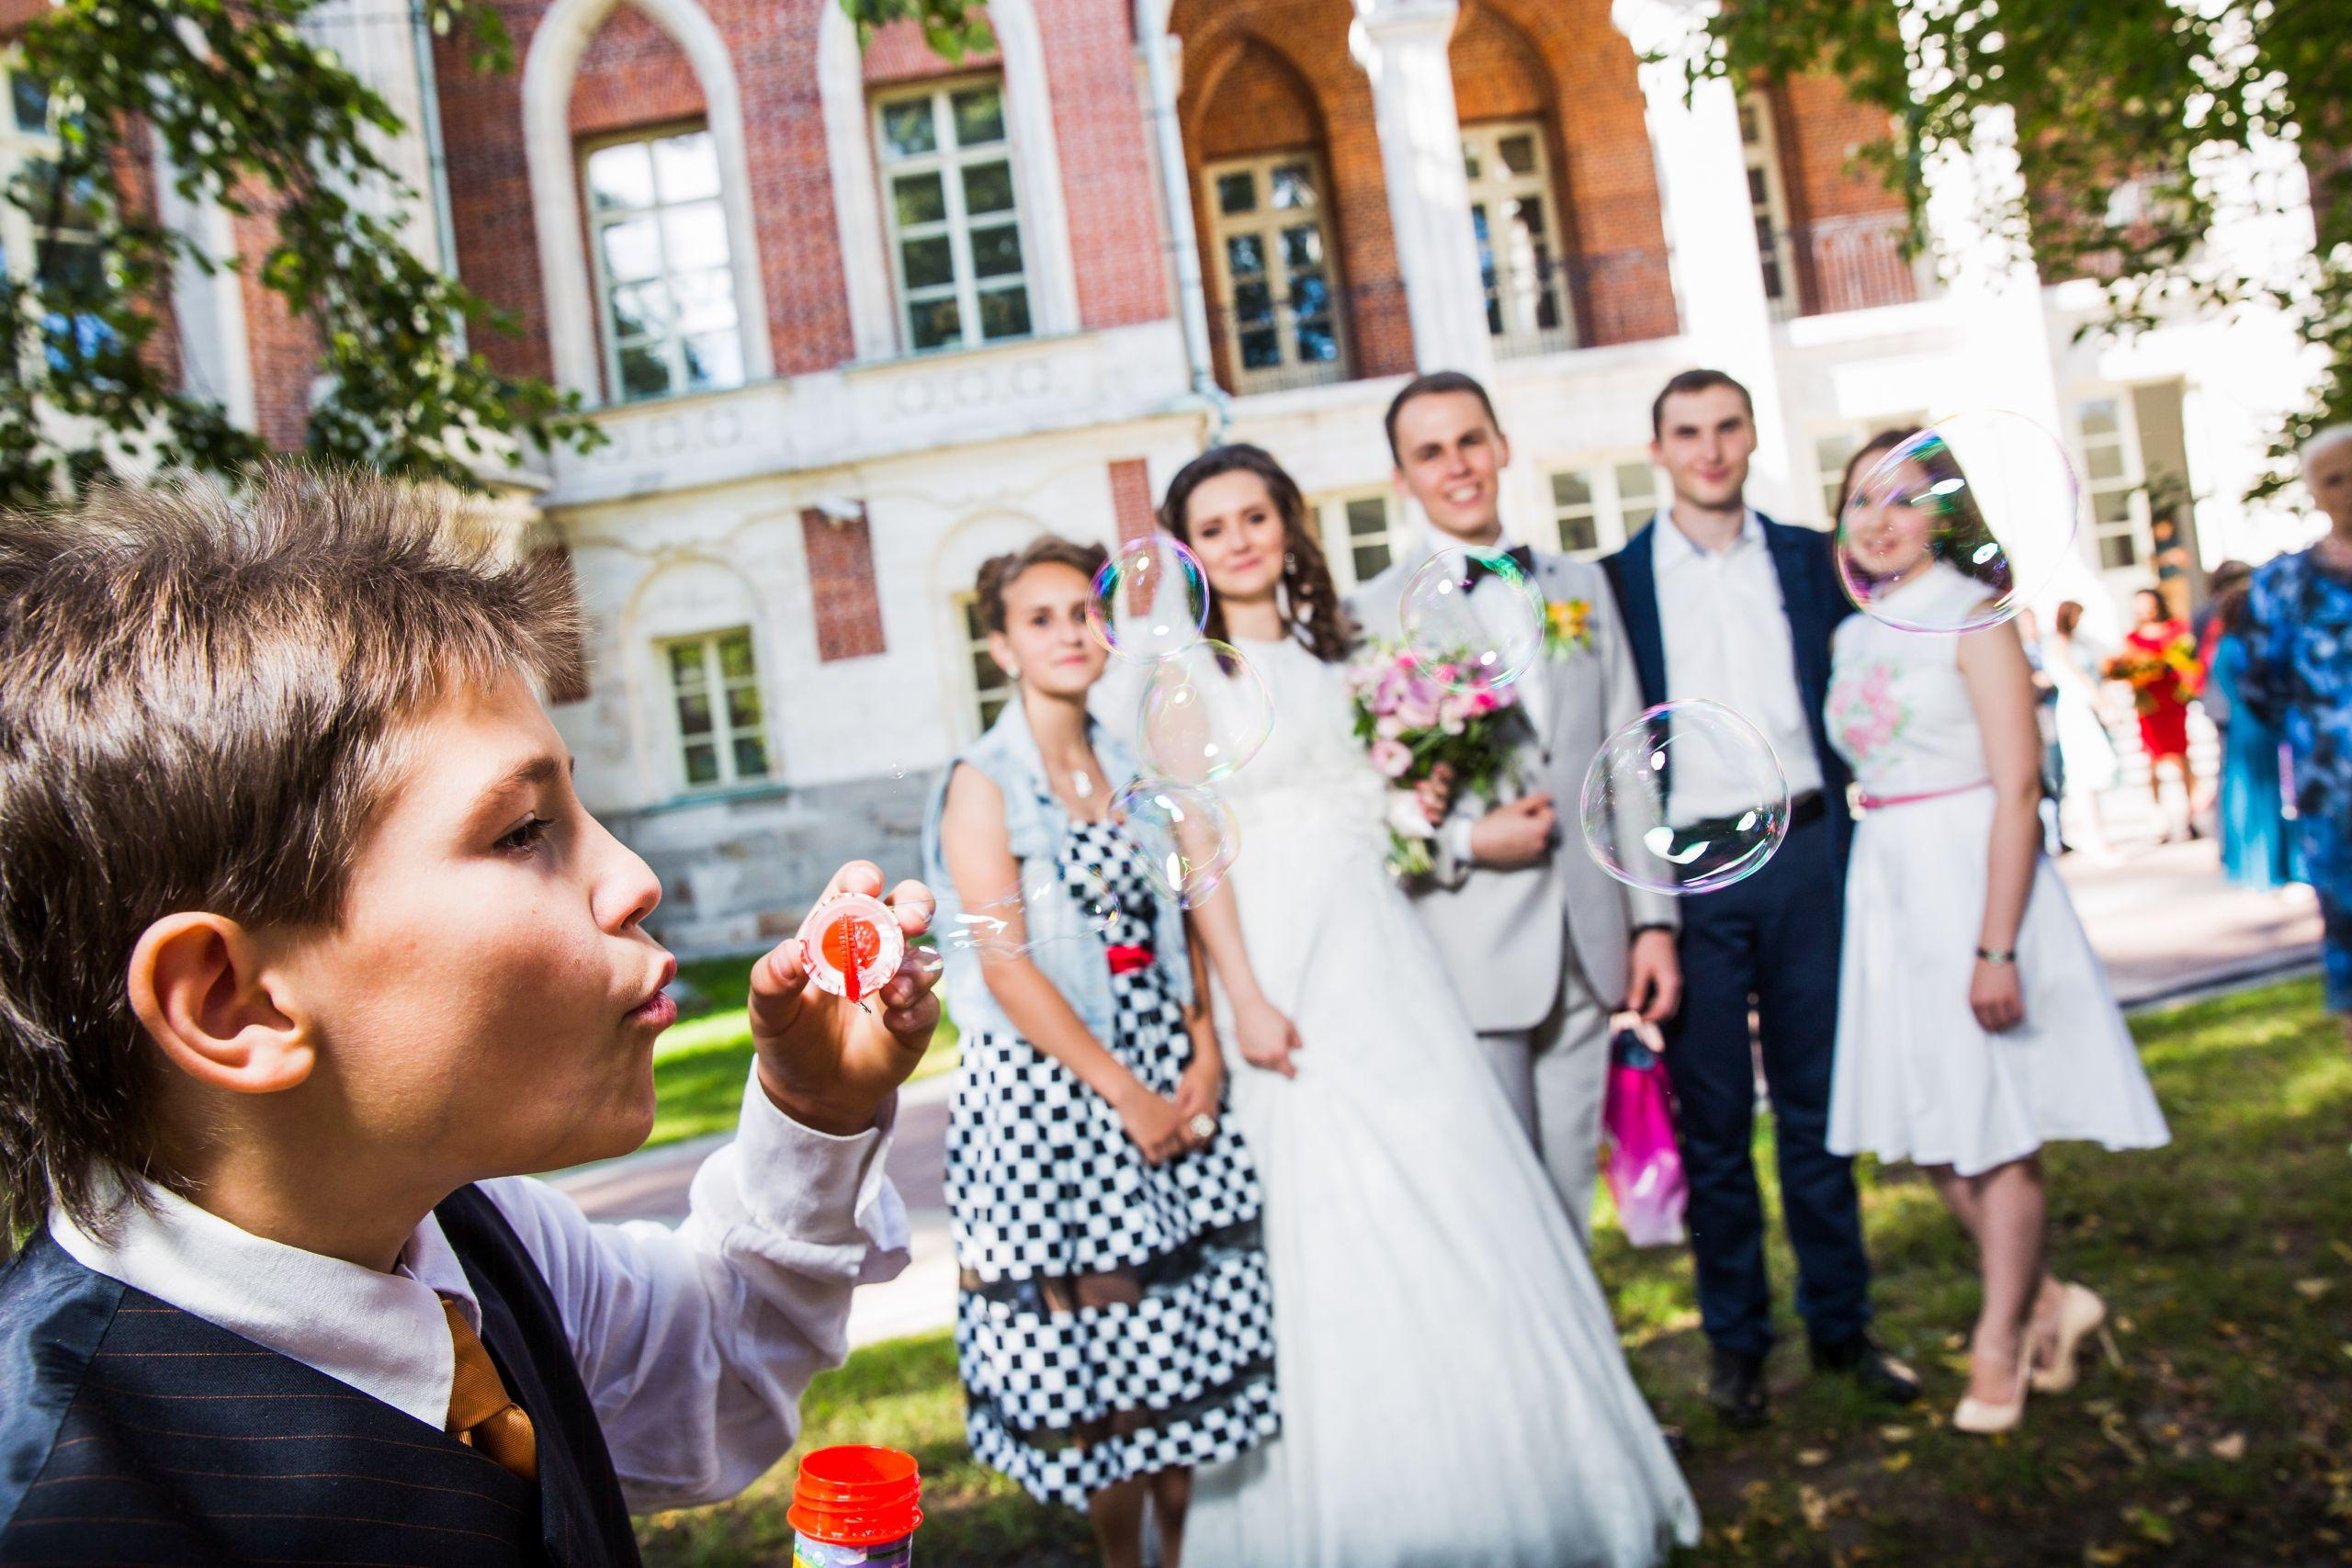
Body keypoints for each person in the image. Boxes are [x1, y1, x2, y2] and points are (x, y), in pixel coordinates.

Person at [0, 468, 933, 1560]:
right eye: (523, 830)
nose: (633, 878)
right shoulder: (73, 1517)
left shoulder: (467, 1234)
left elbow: (705, 1381)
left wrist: (810, 1108)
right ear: (231, 1003)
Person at [1163, 444, 1698, 1567]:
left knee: (1452, 1172)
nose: (1240, 540)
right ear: (1191, 555)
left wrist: (1421, 793)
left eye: (1255, 515)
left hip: (1377, 940)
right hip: (1277, 950)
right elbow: (1197, 850)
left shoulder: (1342, 650)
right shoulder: (1187, 680)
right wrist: (1245, 999)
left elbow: (1380, 801)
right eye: (1213, 528)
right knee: (1323, 1198)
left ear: (1286, 525)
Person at [923, 536, 1276, 1568]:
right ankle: (1125, 1561)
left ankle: (1183, 1552)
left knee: (1180, 1334)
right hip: (1059, 1100)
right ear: (1000, 647)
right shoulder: (981, 782)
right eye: (1040, 619)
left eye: (1082, 611)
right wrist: (1127, 1094)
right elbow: (1006, 967)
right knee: (1110, 1352)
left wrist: (1202, 1049)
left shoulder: (1128, 764)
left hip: (1165, 1072)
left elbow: (1183, 912)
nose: (1071, 633)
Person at [1827, 431, 2170, 1434]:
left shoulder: (1970, 617)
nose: (1879, 518)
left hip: (1970, 874)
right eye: (1859, 500)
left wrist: (1995, 944)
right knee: (1933, 1129)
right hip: (1886, 883)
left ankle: (1999, 1340)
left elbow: (2019, 783)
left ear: (1943, 512)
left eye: (1902, 498)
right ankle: (2049, 1300)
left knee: (1996, 1127)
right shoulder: (1855, 631)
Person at [1600, 369, 1917, 1430]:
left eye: (1726, 427)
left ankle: (1843, 1324)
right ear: (1659, 450)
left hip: (1806, 847)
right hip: (1689, 869)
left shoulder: (1803, 557)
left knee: (1821, 1106)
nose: (1708, 448)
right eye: (1686, 431)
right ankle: (1736, 1345)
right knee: (1715, 1125)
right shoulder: (1616, 582)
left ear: (1748, 438)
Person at [1349, 370, 1681, 1239]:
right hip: (1466, 947)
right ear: (1402, 478)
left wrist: (1651, 922)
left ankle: (1579, 1366)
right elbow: (1362, 808)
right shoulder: (1370, 617)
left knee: (1571, 1192)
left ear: (1500, 447)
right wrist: (1464, 837)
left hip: (1589, 937)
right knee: (1495, 1205)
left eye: (1469, 441)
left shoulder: (1580, 584)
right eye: (1430, 452)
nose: (1456, 466)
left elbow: (1627, 761)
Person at [2241, 423, 2352, 1052]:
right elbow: (2260, 685)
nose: (2350, 490)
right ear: (2313, 493)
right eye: (2334, 479)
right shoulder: (2283, 586)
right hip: (2337, 804)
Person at [2203, 581, 2300, 890]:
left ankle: (2254, 865)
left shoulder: (2225, 645)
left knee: (2247, 794)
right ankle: (2270, 868)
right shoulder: (2240, 647)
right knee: (2265, 795)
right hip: (2255, 724)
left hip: (2242, 724)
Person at [2120, 586, 2200, 840]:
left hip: (2172, 700)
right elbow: (2127, 667)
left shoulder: (2176, 629)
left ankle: (2190, 816)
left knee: (2181, 757)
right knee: (2152, 760)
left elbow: (2189, 661)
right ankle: (2159, 818)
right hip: (2149, 704)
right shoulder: (2132, 638)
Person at [2049, 600, 2121, 852]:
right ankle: (2092, 832)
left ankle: (2099, 828)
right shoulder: (2058, 645)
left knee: (2097, 770)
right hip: (2076, 709)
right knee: (2083, 772)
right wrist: (2102, 703)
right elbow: (2078, 677)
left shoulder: (2082, 642)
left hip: (2088, 705)